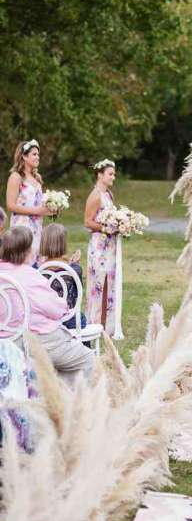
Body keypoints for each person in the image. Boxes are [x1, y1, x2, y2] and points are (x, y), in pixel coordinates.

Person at [0, 227, 95, 384]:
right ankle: (71, 403)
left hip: (4, 342)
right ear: (26, 251)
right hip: (33, 341)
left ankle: (46, 394)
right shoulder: (29, 275)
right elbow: (56, 310)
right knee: (88, 359)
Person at [6, 139, 51, 265]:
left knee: (35, 261)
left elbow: (38, 203)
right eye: (34, 154)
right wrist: (37, 211)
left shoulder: (37, 178)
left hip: (37, 226)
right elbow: (10, 205)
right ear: (24, 157)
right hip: (22, 226)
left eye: (38, 154)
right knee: (22, 261)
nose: (38, 157)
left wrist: (50, 208)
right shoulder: (16, 177)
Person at [85, 159, 117, 332]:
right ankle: (94, 322)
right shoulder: (95, 196)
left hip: (110, 246)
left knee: (108, 283)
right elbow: (87, 222)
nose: (114, 177)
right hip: (99, 247)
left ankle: (105, 323)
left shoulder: (109, 195)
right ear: (100, 175)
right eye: (110, 174)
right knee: (98, 283)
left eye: (114, 174)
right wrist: (107, 227)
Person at [39, 223, 88, 332]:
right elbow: (78, 292)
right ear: (64, 244)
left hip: (46, 319)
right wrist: (75, 265)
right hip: (69, 320)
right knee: (82, 319)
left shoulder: (38, 269)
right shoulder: (74, 269)